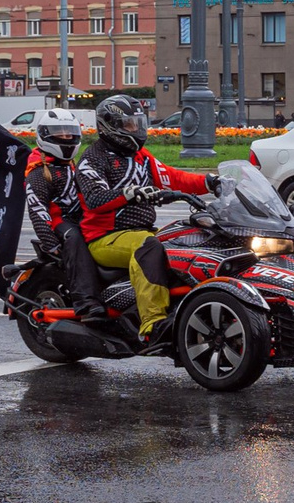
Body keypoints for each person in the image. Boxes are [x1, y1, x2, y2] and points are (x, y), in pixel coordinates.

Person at [74, 94, 209, 341]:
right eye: (129, 124)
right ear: (109, 125)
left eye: (138, 123)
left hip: (142, 230)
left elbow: (174, 178)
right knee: (148, 246)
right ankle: (152, 323)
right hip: (104, 237)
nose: (136, 129)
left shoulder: (141, 157)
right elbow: (95, 198)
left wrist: (211, 182)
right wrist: (129, 193)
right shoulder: (92, 158)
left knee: (184, 239)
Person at [22, 108, 98, 315]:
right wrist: (50, 242)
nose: (65, 137)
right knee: (75, 238)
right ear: (45, 135)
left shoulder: (73, 166)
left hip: (80, 217)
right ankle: (84, 300)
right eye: (59, 133)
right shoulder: (38, 172)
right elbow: (37, 210)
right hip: (59, 222)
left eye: (69, 133)